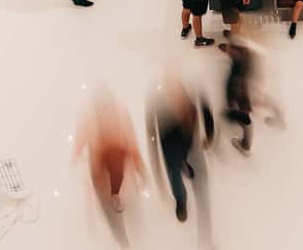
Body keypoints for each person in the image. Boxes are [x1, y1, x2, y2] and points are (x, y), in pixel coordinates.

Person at [146, 73, 214, 228]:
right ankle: (181, 201)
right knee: (174, 174)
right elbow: (152, 134)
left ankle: (206, 237)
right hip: (170, 148)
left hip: (188, 143)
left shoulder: (192, 93)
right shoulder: (158, 104)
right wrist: (157, 172)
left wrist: (209, 135)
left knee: (202, 191)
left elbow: (206, 111)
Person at [73, 88, 146, 216]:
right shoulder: (91, 118)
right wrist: (78, 154)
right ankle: (108, 196)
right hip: (100, 153)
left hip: (115, 150)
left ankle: (115, 194)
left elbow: (126, 136)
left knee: (117, 171)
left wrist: (137, 164)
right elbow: (83, 135)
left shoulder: (117, 115)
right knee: (102, 175)